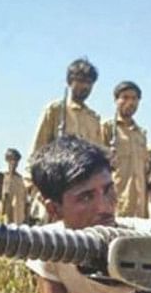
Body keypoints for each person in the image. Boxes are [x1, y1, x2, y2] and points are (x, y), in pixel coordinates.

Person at [26, 135, 151, 293]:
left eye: (108, 190)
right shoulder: (51, 247)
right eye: (86, 197)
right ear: (54, 210)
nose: (104, 208)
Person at [27, 58, 102, 223]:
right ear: (70, 81)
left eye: (89, 82)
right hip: (56, 189)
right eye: (81, 81)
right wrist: (34, 188)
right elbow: (37, 151)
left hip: (85, 192)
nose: (85, 86)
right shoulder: (55, 110)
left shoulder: (94, 119)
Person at [102, 81, 148, 218]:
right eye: (125, 97)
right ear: (116, 100)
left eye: (134, 98)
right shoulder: (107, 128)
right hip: (116, 200)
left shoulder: (141, 134)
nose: (130, 102)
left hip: (139, 204)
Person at [2, 148, 27, 224]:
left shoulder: (20, 179)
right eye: (11, 159)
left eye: (16, 160)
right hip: (3, 217)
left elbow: (24, 199)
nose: (14, 162)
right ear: (7, 160)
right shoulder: (2, 176)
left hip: (17, 219)